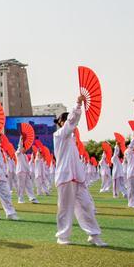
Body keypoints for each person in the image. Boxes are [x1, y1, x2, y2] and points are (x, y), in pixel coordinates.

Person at [52, 98, 106, 246]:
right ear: (62, 122)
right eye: (67, 121)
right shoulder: (59, 136)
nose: (73, 125)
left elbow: (71, 124)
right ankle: (62, 236)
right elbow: (71, 122)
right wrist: (78, 104)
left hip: (78, 178)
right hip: (65, 177)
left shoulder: (72, 139)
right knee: (65, 208)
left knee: (86, 205)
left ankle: (94, 235)